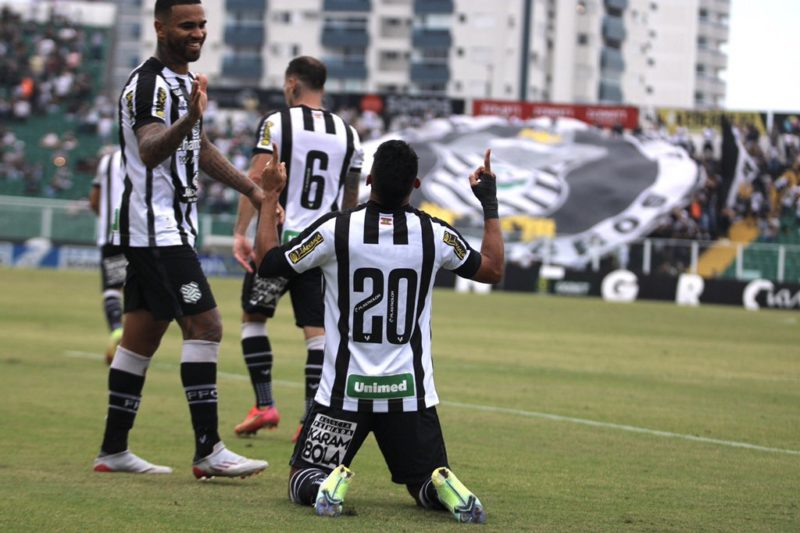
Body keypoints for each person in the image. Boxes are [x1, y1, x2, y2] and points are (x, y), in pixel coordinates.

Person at [254, 140, 504, 523]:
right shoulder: (434, 235)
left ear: (369, 180)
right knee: (423, 481)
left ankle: (328, 486)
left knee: (302, 478)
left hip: (344, 392)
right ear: (415, 185)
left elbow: (269, 263)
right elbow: (491, 269)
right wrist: (488, 202)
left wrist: (271, 193)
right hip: (409, 394)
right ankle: (446, 488)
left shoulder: (336, 230)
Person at [92, 0, 268, 478]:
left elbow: (200, 148)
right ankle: (208, 450)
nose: (198, 33)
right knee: (207, 326)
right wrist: (190, 119)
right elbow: (150, 150)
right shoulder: (146, 83)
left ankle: (112, 450)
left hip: (167, 228)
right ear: (160, 27)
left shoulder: (183, 83)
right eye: (187, 25)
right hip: (154, 229)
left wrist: (251, 187)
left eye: (202, 24)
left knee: (140, 339)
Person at [231, 56, 363, 441]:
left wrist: (242, 230)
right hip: (322, 248)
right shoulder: (349, 134)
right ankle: (309, 420)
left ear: (292, 84)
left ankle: (265, 404)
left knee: (254, 318)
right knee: (318, 332)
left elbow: (256, 178)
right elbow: (351, 199)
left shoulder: (276, 122)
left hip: (279, 244)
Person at [88, 148, 126, 365]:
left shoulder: (108, 160)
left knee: (113, 289)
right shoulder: (155, 153)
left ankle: (116, 329)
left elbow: (94, 201)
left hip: (112, 237)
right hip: (145, 237)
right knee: (139, 290)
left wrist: (109, 222)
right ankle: (131, 343)